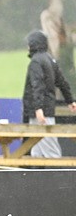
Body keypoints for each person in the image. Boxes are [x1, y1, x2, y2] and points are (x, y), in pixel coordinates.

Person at [22, 29, 76, 159]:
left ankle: (57, 171)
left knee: (50, 150)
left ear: (33, 44)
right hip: (46, 110)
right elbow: (62, 82)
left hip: (40, 113)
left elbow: (37, 86)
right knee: (36, 151)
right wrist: (70, 100)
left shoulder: (36, 62)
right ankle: (38, 172)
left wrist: (38, 108)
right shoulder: (50, 59)